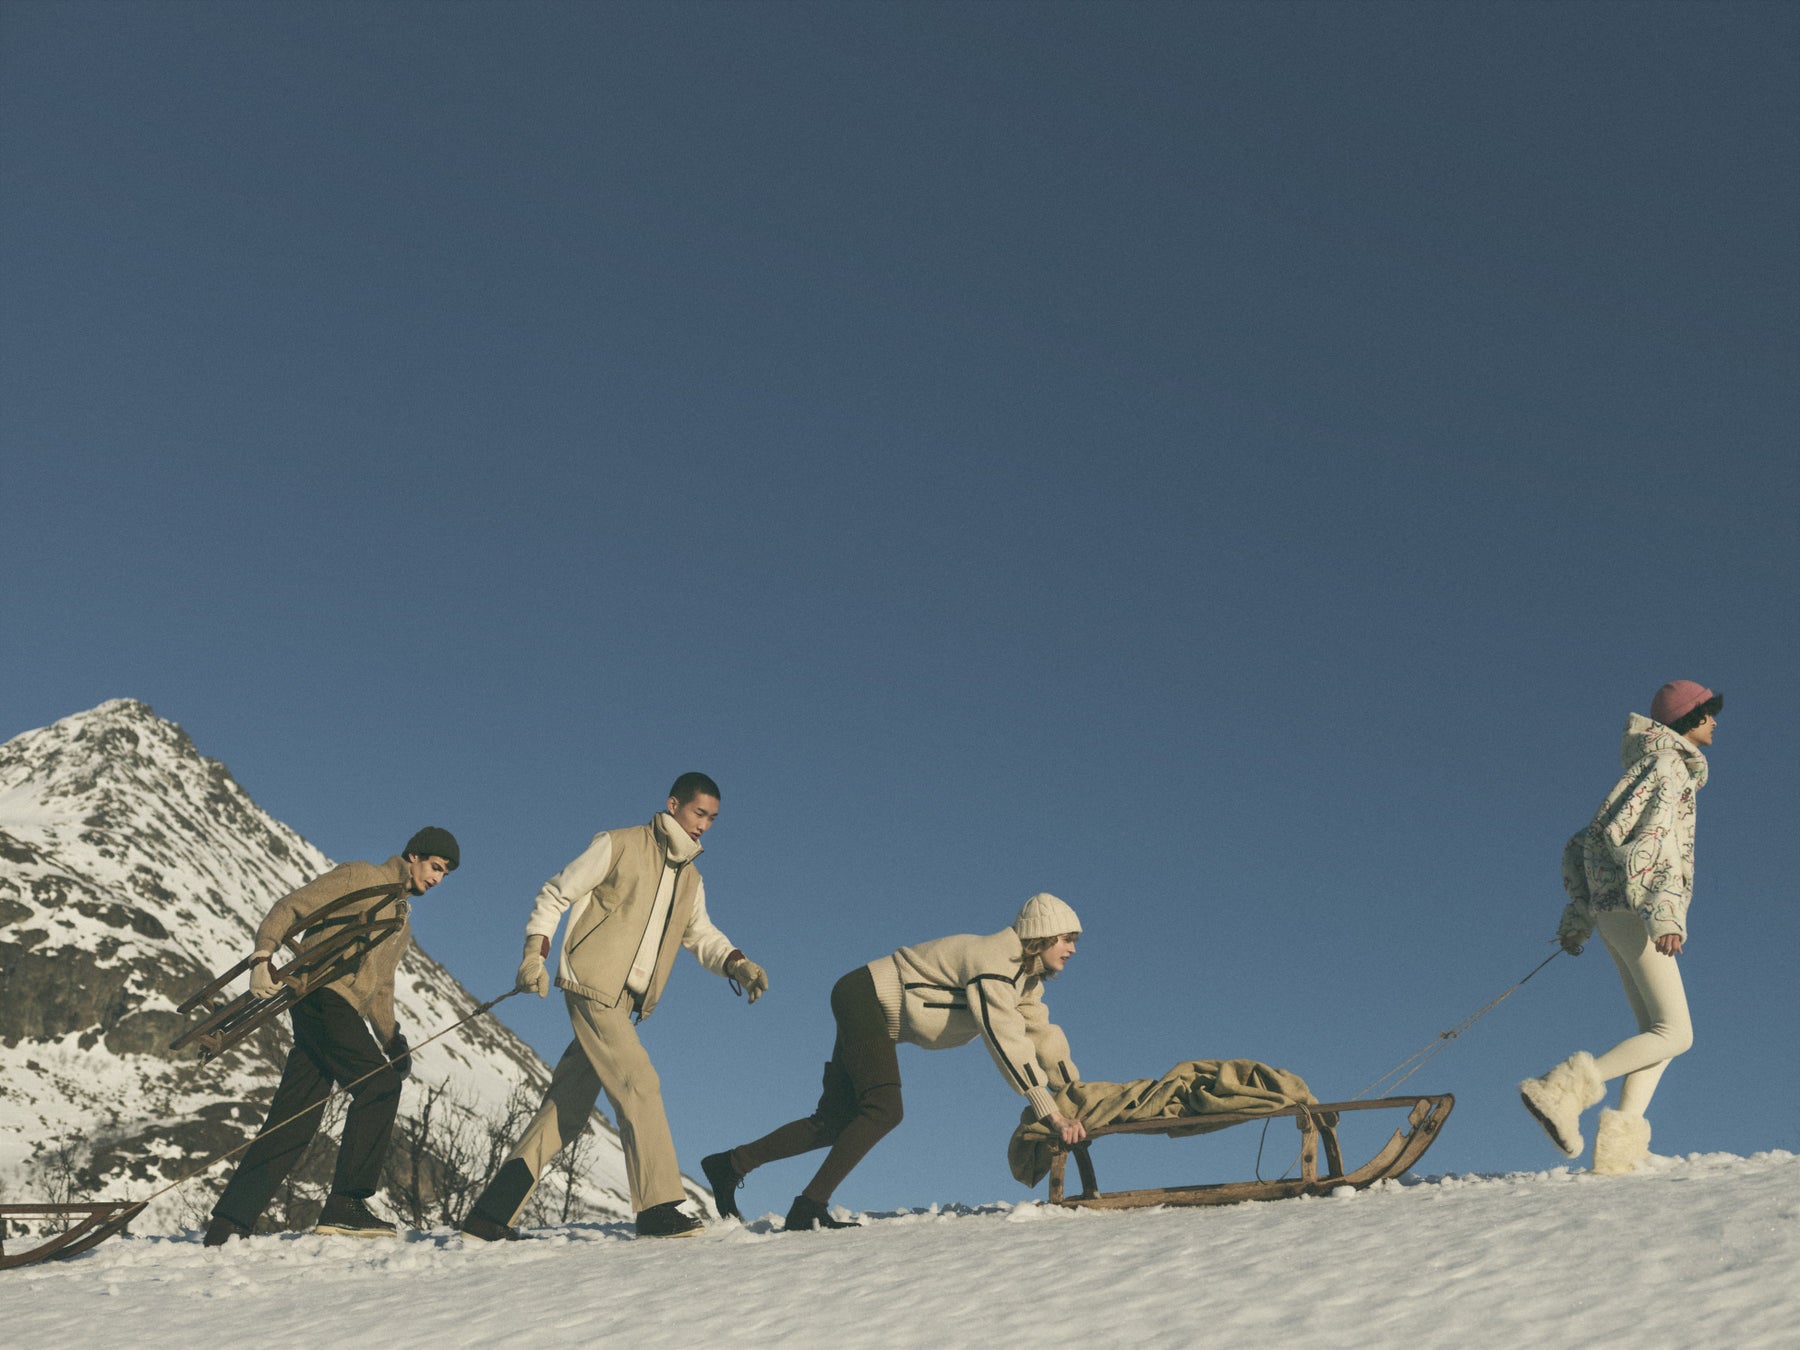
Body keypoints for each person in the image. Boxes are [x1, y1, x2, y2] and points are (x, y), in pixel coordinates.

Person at [460, 773, 766, 1241]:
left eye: (712, 818)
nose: (704, 825)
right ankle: (658, 1207)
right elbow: (555, 893)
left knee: (566, 1108)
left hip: (625, 1004)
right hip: (592, 984)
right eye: (699, 813)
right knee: (639, 1082)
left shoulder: (691, 878)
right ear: (674, 805)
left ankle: (490, 1214)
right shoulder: (619, 844)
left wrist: (737, 963)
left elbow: (701, 934)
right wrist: (534, 955)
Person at [702, 893, 1088, 1232]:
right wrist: (1050, 1112)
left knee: (834, 1122)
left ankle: (730, 1165)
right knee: (884, 1109)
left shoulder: (1024, 981)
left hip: (867, 1004)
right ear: (1041, 935)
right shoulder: (994, 961)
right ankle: (809, 1207)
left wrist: (1073, 1091)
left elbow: (1042, 1033)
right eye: (1066, 938)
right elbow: (1004, 1036)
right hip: (864, 997)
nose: (1072, 949)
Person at [203, 826, 460, 1245]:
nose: (437, 879)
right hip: (321, 995)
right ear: (414, 856)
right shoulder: (362, 877)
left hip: (337, 1011)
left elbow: (381, 988)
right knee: (379, 1086)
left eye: (445, 874)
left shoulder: (400, 923)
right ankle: (346, 1204)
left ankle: (228, 1224)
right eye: (435, 867)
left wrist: (392, 1039)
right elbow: (292, 906)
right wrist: (263, 956)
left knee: (294, 1119)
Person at [1520, 680, 1721, 1176]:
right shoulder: (1669, 767)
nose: (1715, 722)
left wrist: (1580, 917)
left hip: (1616, 911)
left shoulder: (1645, 767)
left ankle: (1621, 1148)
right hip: (1638, 912)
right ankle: (1561, 1091)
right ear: (1687, 719)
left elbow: (1587, 843)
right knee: (1676, 1033)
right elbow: (1656, 843)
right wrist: (1665, 913)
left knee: (1657, 1032)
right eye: (1708, 713)